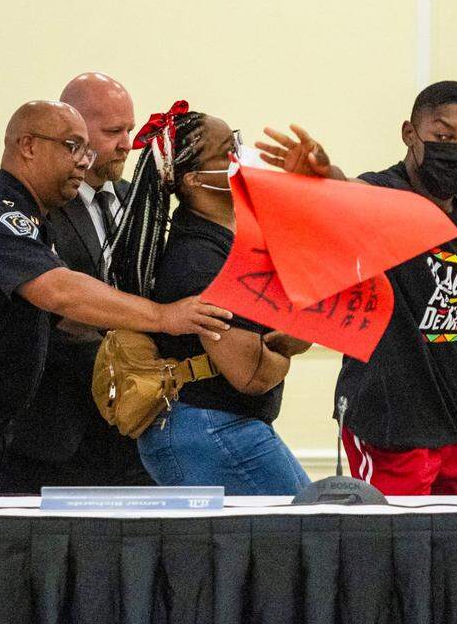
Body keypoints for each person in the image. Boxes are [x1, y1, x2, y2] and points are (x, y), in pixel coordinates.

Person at [0, 100, 232, 549]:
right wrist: (163, 316)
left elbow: (64, 315)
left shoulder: (30, 217)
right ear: (27, 146)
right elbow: (59, 292)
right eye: (72, 146)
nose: (85, 159)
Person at [259, 81, 457, 496]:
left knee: (450, 548)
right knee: (390, 549)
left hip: (448, 415)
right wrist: (322, 178)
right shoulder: (384, 195)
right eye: (443, 137)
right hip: (384, 419)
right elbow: (346, 192)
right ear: (410, 134)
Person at [108, 103, 313, 495]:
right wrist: (287, 345)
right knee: (302, 537)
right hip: (209, 428)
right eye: (227, 152)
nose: (241, 157)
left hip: (224, 425)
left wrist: (280, 340)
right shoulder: (198, 260)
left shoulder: (226, 245)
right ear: (195, 180)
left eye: (236, 142)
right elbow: (250, 375)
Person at [2, 73, 154, 492]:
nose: (128, 143)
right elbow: (54, 304)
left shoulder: (135, 196)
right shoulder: (37, 204)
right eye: (113, 132)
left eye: (130, 129)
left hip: (130, 423)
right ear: (75, 134)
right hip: (54, 427)